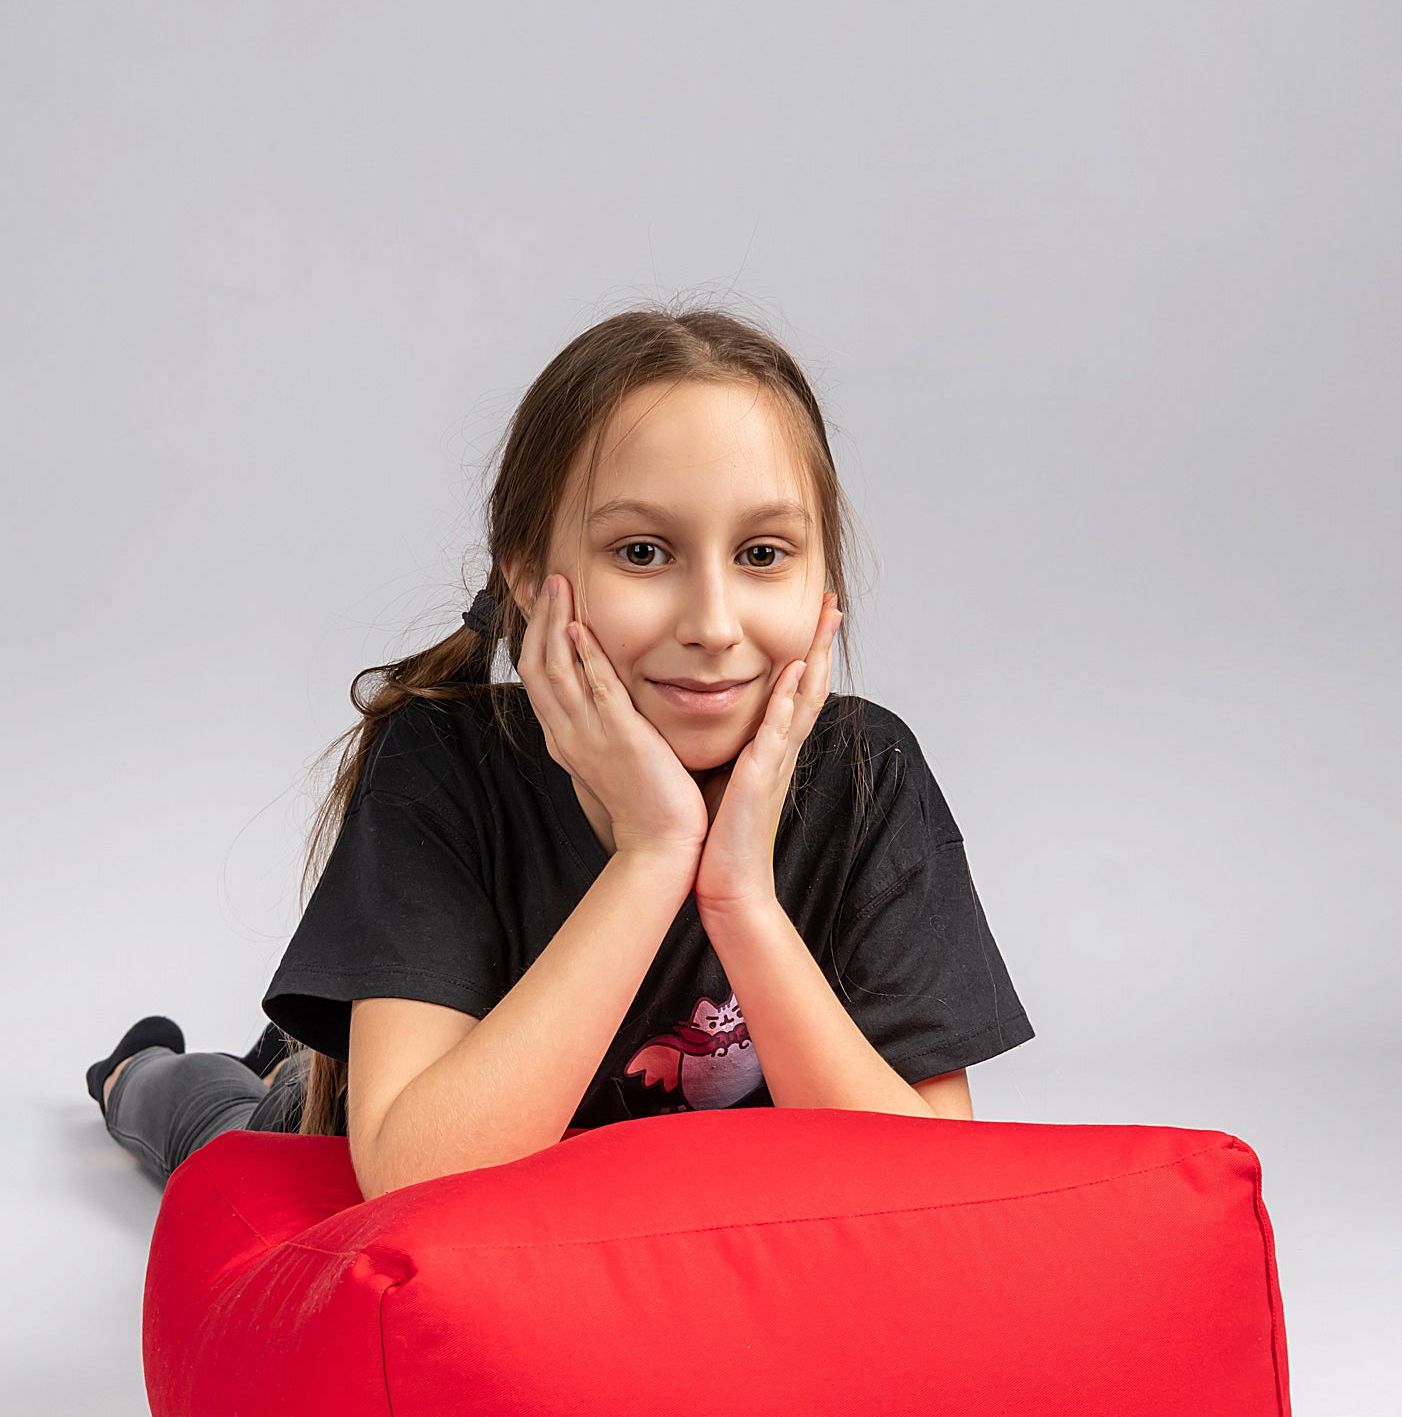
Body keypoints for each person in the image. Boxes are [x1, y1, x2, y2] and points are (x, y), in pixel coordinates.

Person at [88, 302, 1035, 1199]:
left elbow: (935, 1183)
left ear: (825, 576)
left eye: (762, 555)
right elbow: (413, 1180)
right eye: (642, 553)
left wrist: (740, 897)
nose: (712, 624)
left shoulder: (869, 775)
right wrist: (655, 853)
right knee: (232, 1119)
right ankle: (144, 1070)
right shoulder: (445, 758)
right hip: (392, 1121)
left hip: (647, 1241)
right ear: (532, 581)